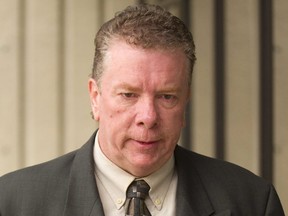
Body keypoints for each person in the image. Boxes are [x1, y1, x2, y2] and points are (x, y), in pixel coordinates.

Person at [0, 4, 285, 216]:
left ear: (185, 100)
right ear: (95, 97)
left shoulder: (252, 202)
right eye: (128, 94)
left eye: (166, 96)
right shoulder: (12, 202)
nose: (148, 117)